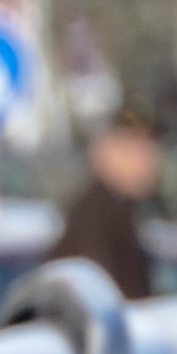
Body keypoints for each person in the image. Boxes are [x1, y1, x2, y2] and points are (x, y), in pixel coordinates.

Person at [46, 103, 166, 299]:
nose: (144, 161)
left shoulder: (123, 209)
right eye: (130, 149)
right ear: (101, 152)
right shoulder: (90, 219)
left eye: (148, 149)